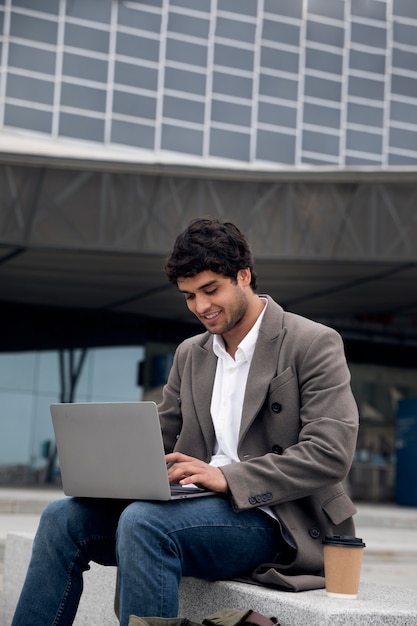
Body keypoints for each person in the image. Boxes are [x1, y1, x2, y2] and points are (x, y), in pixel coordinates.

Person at [12, 217, 359, 626]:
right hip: (197, 507)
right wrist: (104, 467)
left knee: (145, 523)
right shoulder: (191, 354)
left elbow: (330, 453)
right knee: (60, 517)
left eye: (211, 290)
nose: (201, 307)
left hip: (280, 519)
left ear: (243, 276)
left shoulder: (312, 342)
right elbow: (159, 434)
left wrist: (228, 477)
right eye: (189, 296)